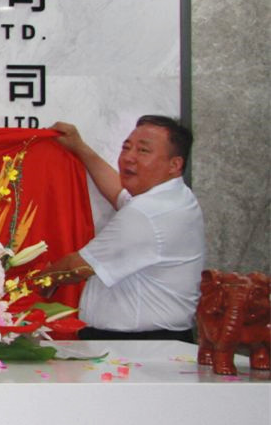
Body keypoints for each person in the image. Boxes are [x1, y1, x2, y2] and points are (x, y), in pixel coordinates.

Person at [44, 116, 205, 340]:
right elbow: (118, 193)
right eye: (126, 147)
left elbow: (77, 267)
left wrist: (33, 283)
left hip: (141, 346)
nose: (129, 157)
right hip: (155, 340)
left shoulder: (148, 213)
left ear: (174, 165)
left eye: (143, 151)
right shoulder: (174, 197)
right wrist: (79, 147)